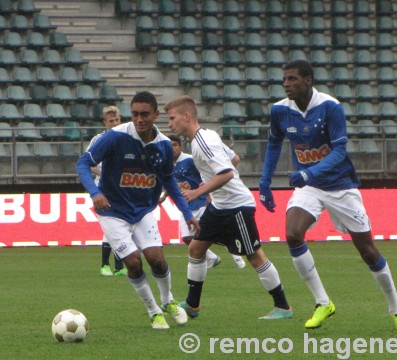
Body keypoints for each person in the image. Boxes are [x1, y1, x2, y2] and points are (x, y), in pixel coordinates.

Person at [258, 59, 397, 332]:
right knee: (293, 234)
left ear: (308, 80)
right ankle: (322, 303)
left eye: (292, 79)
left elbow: (340, 152)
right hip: (310, 187)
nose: (286, 84)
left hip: (341, 186)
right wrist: (264, 182)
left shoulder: (330, 107)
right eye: (284, 79)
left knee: (367, 250)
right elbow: (273, 145)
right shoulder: (280, 111)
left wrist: (308, 173)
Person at [76, 91, 200, 329]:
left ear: (155, 115)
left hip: (143, 210)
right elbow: (83, 163)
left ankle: (168, 300)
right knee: (133, 263)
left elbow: (170, 182)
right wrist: (95, 192)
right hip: (112, 211)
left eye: (145, 114)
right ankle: (154, 311)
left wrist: (187, 214)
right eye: (135, 114)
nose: (139, 119)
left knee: (157, 260)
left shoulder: (163, 145)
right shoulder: (115, 137)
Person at [165, 95, 293, 320]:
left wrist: (198, 191)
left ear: (187, 116)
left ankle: (283, 307)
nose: (170, 123)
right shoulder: (206, 136)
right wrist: (213, 191)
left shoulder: (203, 141)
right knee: (196, 248)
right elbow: (234, 158)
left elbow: (226, 172)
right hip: (219, 206)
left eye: (172, 118)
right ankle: (193, 305)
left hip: (236, 206)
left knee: (254, 256)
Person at [160, 135, 246, 269]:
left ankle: (235, 252)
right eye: (169, 146)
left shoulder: (189, 160)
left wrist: (209, 193)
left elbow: (207, 174)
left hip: (200, 202)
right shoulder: (168, 164)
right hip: (185, 206)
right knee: (187, 238)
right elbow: (173, 183)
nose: (172, 148)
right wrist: (165, 195)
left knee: (212, 235)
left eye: (174, 145)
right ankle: (213, 258)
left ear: (180, 147)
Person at [87, 105, 126, 277]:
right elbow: (89, 164)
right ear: (105, 122)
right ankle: (106, 265)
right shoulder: (98, 139)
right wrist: (108, 175)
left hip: (123, 188)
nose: (115, 123)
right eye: (111, 121)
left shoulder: (127, 138)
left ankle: (118, 266)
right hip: (103, 188)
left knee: (120, 226)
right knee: (112, 226)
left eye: (117, 120)